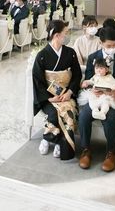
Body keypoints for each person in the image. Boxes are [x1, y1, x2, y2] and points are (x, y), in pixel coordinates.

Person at [78, 27, 115, 172]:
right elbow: (89, 78)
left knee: (109, 118)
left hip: (114, 99)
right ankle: (85, 150)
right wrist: (93, 89)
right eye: (109, 45)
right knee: (83, 116)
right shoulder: (93, 57)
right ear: (101, 43)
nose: (112, 48)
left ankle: (111, 152)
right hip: (96, 97)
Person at [32, 20, 81, 161]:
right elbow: (37, 80)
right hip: (49, 97)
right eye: (65, 33)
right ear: (57, 35)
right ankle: (52, 140)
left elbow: (77, 75)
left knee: (69, 113)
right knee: (54, 113)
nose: (67, 35)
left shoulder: (70, 53)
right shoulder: (42, 55)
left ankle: (55, 141)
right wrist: (49, 98)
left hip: (66, 94)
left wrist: (69, 92)